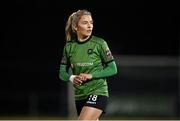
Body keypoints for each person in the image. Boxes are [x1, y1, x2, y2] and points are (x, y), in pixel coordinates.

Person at [59, 9, 117, 120]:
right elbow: (62, 73)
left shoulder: (99, 43)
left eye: (91, 22)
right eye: (85, 23)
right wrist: (72, 77)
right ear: (76, 27)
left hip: (98, 92)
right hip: (80, 95)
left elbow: (113, 69)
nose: (90, 26)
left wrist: (91, 75)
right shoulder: (69, 47)